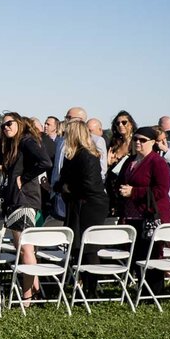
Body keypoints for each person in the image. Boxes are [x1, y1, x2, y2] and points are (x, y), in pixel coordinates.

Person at [0, 112, 52, 303]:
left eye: (9, 124)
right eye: (2, 126)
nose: (6, 127)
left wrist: (24, 177)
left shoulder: (27, 141)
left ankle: (27, 296)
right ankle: (34, 289)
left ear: (19, 123)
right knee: (22, 247)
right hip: (15, 200)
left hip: (25, 200)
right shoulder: (13, 145)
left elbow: (45, 162)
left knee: (25, 248)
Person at [55, 120, 108, 293]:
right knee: (80, 247)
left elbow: (90, 185)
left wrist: (68, 189)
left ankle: (91, 289)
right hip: (79, 203)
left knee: (89, 247)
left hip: (89, 205)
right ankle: (84, 286)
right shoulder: (75, 154)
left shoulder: (86, 155)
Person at [118, 126, 170, 294]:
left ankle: (154, 292)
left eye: (142, 140)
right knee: (137, 254)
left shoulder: (157, 162)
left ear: (153, 142)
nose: (138, 143)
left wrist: (134, 192)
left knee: (152, 254)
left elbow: (161, 190)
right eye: (135, 139)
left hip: (151, 215)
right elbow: (120, 181)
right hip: (132, 215)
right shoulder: (130, 160)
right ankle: (141, 288)